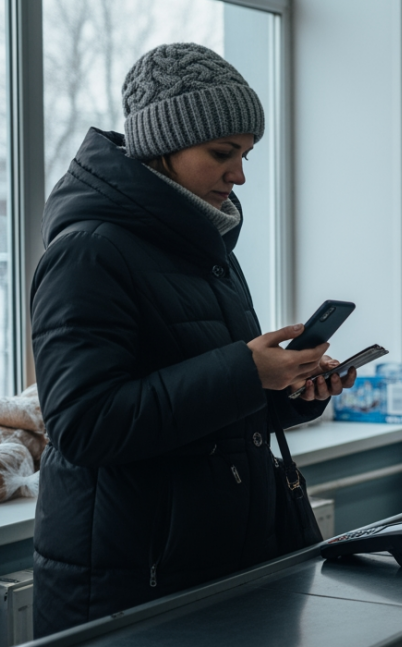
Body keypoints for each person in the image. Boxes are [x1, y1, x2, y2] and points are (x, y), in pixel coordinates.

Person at [29, 43, 357, 636]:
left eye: (247, 153)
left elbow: (210, 407)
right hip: (133, 583)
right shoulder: (88, 251)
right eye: (222, 153)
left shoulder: (203, 247)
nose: (240, 174)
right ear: (161, 146)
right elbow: (84, 425)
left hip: (219, 564)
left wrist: (292, 389)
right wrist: (245, 372)